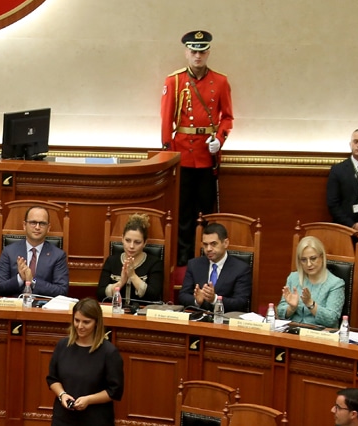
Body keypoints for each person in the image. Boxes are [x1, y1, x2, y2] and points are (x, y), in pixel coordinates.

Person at [161, 30, 234, 266]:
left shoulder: (220, 81)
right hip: (182, 152)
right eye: (193, 51)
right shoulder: (174, 81)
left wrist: (219, 140)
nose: (197, 56)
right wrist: (168, 153)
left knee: (205, 209)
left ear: (208, 52)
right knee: (183, 209)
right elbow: (166, 120)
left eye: (202, 51)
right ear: (186, 52)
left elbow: (227, 118)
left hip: (206, 153)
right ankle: (183, 255)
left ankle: (205, 253)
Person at [46, 298, 124, 426]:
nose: (80, 326)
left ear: (96, 323)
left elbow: (114, 391)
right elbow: (52, 378)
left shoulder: (109, 352)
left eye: (86, 322)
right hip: (63, 418)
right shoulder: (63, 345)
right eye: (77, 320)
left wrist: (89, 400)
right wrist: (62, 394)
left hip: (95, 419)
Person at [0, 206, 69, 297]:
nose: (37, 227)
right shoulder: (9, 252)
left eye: (42, 223)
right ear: (24, 225)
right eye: (33, 223)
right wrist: (20, 278)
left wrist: (32, 281)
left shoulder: (58, 255)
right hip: (16, 304)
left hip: (43, 305)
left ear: (48, 227)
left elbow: (62, 291)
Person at [178, 222, 252, 312]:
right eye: (205, 245)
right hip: (198, 317)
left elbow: (241, 302)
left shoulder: (241, 269)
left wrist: (215, 299)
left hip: (225, 318)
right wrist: (197, 301)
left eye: (213, 244)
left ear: (225, 243)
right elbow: (183, 296)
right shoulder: (194, 264)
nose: (208, 249)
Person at [276, 236, 344, 328]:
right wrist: (291, 308)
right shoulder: (293, 278)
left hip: (319, 334)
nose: (308, 264)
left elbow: (331, 320)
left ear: (322, 257)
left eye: (313, 258)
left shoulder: (336, 284)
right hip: (292, 331)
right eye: (304, 260)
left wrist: (310, 304)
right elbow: (280, 312)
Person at [97, 213, 164, 304]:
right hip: (115, 310)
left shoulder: (155, 263)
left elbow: (154, 295)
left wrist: (132, 276)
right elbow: (100, 295)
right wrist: (121, 282)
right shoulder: (111, 261)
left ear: (145, 242)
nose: (131, 246)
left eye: (137, 242)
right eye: (128, 240)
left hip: (143, 311)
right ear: (122, 239)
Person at [327, 129, 358, 235]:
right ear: (350, 144)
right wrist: (352, 225)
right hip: (344, 229)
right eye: (356, 141)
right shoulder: (338, 170)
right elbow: (333, 204)